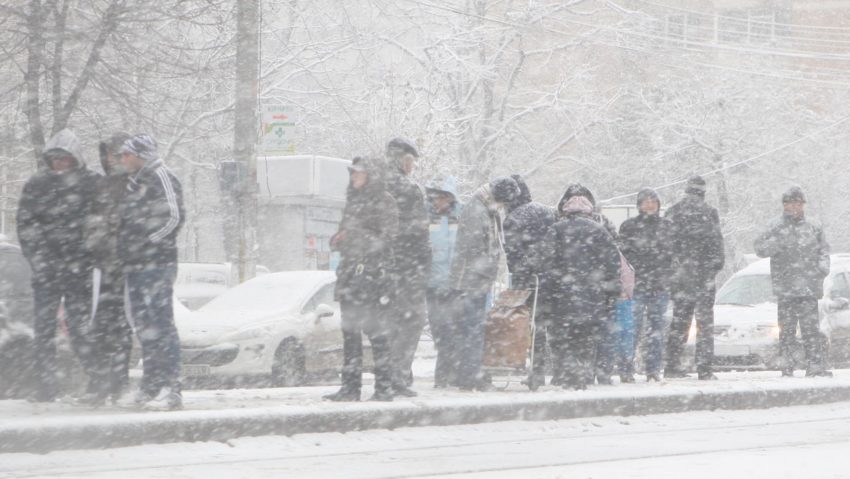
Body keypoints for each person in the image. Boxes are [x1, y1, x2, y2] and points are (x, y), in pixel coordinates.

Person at [16, 129, 100, 402]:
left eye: (64, 159)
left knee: (79, 327)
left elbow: (100, 223)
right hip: (47, 270)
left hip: (79, 270)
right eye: (55, 159)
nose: (59, 164)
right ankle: (45, 385)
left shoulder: (91, 184)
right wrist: (39, 259)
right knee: (43, 328)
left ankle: (95, 380)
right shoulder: (37, 185)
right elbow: (26, 225)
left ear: (75, 159)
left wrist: (87, 255)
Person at [115, 134, 185, 410]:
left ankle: (172, 386)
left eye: (126, 154)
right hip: (136, 265)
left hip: (157, 264)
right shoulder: (136, 183)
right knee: (145, 326)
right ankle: (152, 383)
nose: (122, 159)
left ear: (140, 154)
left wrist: (147, 243)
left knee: (162, 324)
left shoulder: (162, 177)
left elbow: (175, 217)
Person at [324, 157, 399, 402]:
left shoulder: (384, 201)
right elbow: (347, 233)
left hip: (372, 276)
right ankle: (350, 386)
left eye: (359, 173)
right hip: (349, 275)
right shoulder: (353, 202)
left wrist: (354, 236)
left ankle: (384, 387)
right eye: (352, 173)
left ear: (371, 176)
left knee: (377, 334)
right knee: (350, 333)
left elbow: (386, 239)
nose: (354, 177)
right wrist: (338, 239)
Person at [537, 195, 620, 390]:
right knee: (584, 338)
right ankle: (582, 375)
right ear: (588, 211)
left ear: (566, 211)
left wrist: (546, 294)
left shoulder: (555, 230)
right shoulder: (600, 231)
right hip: (592, 297)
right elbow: (612, 265)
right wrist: (610, 294)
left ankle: (564, 374)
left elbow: (545, 264)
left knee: (561, 338)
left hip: (561, 297)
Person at [448, 176, 519, 391]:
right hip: (470, 282)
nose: (504, 207)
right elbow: (472, 248)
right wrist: (488, 267)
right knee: (472, 330)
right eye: (505, 203)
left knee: (472, 330)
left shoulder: (486, 208)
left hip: (476, 281)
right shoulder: (477, 211)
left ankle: (468, 374)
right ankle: (470, 376)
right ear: (498, 197)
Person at [754, 186, 832, 378]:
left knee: (810, 329)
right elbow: (760, 248)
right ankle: (787, 365)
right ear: (784, 205)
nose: (795, 207)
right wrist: (777, 244)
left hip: (808, 288)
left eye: (798, 203)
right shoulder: (775, 226)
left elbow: (824, 250)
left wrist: (821, 269)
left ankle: (814, 365)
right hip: (785, 288)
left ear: (803, 205)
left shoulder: (813, 226)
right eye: (791, 203)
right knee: (786, 330)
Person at [80, 132, 134, 405]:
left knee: (122, 327)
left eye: (118, 154)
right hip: (101, 267)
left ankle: (119, 382)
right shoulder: (101, 186)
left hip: (124, 268)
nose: (113, 159)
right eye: (110, 154)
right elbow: (90, 220)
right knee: (99, 325)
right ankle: (99, 381)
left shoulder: (134, 185)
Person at [665, 176, 725, 381]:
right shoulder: (709, 213)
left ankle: (672, 364)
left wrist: (674, 271)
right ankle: (704, 368)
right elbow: (717, 247)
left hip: (681, 278)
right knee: (704, 324)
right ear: (703, 192)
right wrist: (712, 269)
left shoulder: (673, 212)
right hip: (703, 277)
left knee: (680, 322)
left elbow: (667, 247)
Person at [384, 138, 431, 398]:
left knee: (390, 322)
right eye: (411, 161)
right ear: (403, 160)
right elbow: (418, 232)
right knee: (411, 321)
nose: (412, 167)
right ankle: (399, 375)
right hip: (407, 267)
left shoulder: (373, 184)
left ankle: (387, 375)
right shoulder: (409, 189)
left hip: (381, 267)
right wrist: (423, 264)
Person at [502, 175, 556, 388]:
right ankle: (540, 370)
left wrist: (518, 275)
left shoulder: (513, 218)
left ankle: (525, 367)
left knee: (524, 323)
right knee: (542, 324)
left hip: (526, 279)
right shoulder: (546, 212)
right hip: (549, 277)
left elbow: (512, 253)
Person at [619, 188, 672, 382]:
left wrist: (669, 274)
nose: (650, 204)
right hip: (637, 286)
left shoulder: (667, 226)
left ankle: (653, 370)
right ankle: (626, 369)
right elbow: (623, 256)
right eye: (646, 201)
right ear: (639, 204)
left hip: (659, 285)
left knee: (656, 330)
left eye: (653, 200)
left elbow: (673, 254)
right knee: (631, 329)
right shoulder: (629, 227)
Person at [425, 177, 461, 388]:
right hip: (434, 286)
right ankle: (445, 375)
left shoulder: (461, 217)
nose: (435, 202)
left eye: (438, 198)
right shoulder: (427, 219)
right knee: (440, 333)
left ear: (449, 198)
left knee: (452, 332)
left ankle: (447, 376)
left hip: (455, 286)